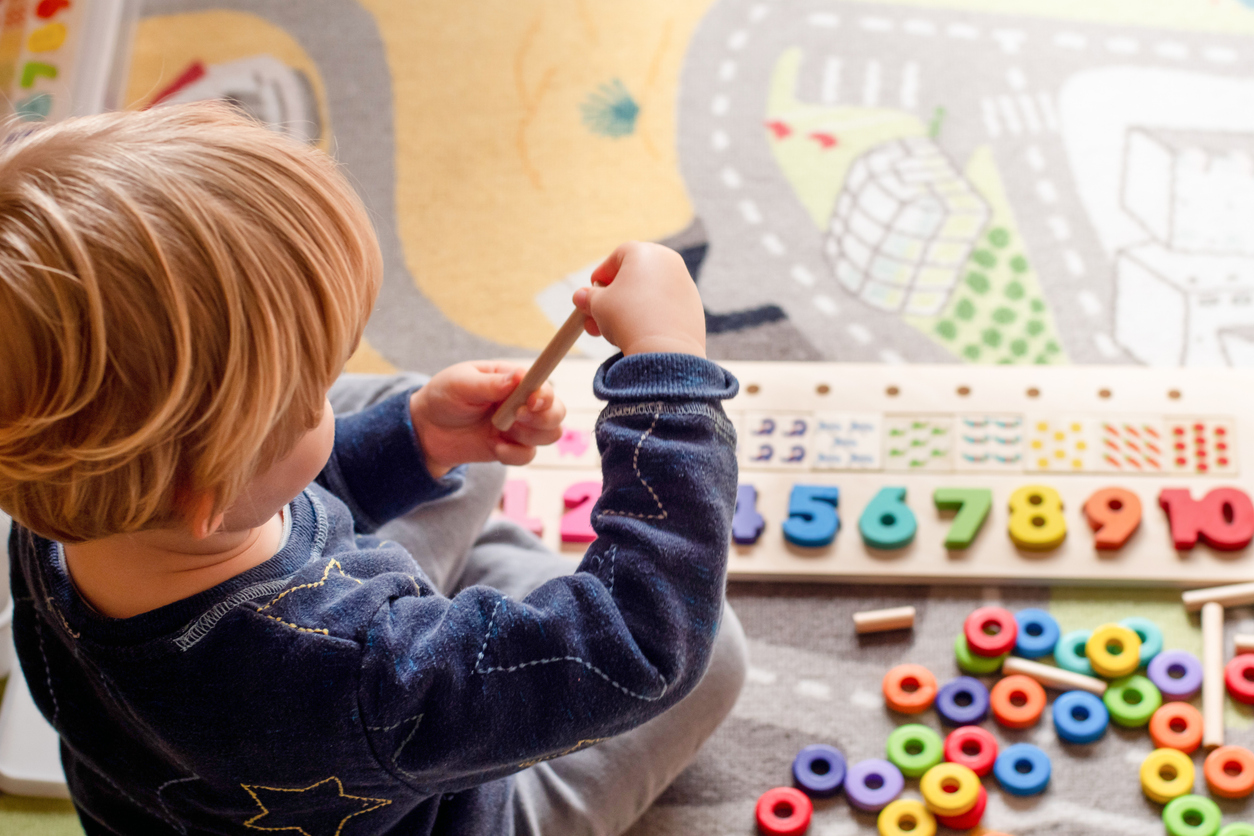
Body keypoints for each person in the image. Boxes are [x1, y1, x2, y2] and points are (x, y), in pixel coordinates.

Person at [0, 102, 747, 835]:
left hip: (221, 768)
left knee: (431, 437)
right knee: (714, 654)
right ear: (212, 482)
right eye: (313, 388)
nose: (330, 388)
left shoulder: (54, 509)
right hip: (438, 800)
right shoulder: (364, 677)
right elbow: (644, 640)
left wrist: (415, 440)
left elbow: (250, 505)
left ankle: (448, 552)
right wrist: (665, 373)